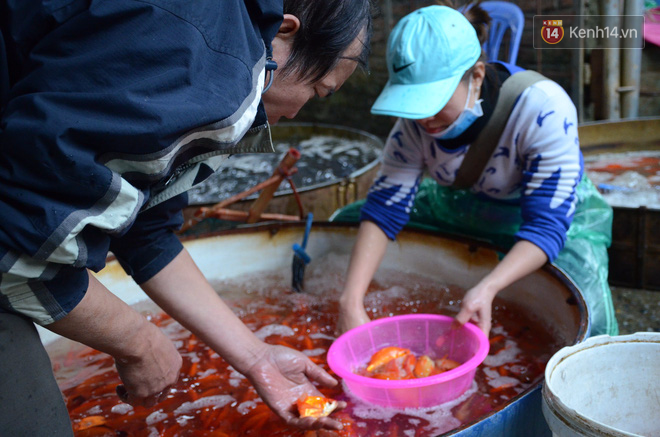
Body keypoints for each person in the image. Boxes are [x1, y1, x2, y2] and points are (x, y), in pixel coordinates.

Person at [0, 0, 372, 434]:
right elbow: (16, 252)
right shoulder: (212, 66)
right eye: (317, 91)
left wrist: (256, 358)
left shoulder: (202, 24)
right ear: (283, 35)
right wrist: (138, 342)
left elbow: (147, 230)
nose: (296, 112)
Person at [334, 4, 618, 339]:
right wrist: (350, 301)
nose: (424, 119)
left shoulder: (543, 109)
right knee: (345, 224)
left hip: (555, 217)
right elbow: (385, 208)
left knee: (588, 322)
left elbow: (545, 225)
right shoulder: (411, 126)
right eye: (414, 103)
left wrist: (489, 286)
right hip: (466, 203)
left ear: (478, 76)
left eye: (434, 100)